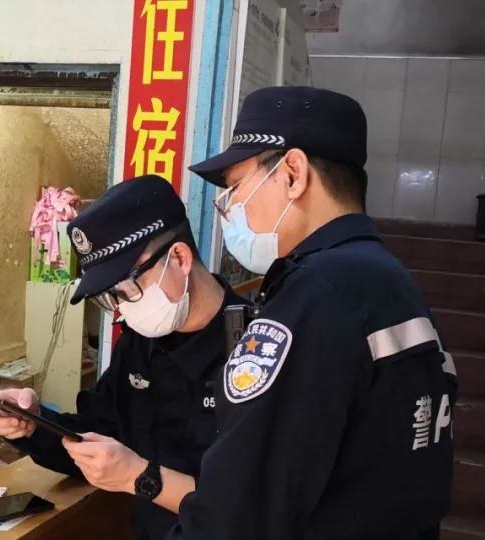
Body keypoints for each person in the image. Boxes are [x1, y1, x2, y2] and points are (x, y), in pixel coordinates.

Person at [167, 86, 458, 539]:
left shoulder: (315, 295)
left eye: (235, 189)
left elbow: (237, 514)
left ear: (293, 174)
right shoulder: (388, 280)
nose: (231, 210)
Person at [0, 175, 249, 540]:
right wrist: (35, 423)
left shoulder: (256, 349)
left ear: (179, 258)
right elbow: (96, 436)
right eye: (110, 297)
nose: (122, 309)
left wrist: (141, 476)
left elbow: (254, 506)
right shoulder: (141, 342)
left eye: (125, 290)